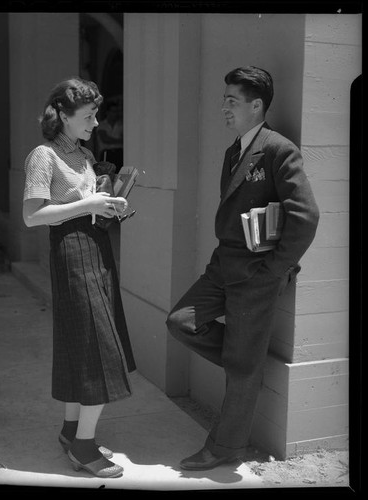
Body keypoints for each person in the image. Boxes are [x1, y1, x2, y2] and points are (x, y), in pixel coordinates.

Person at [166, 66, 319, 471]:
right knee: (181, 321)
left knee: (241, 364)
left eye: (232, 101)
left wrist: (275, 270)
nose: (224, 107)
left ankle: (226, 448)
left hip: (256, 276)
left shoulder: (278, 149)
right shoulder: (234, 150)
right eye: (224, 100)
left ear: (256, 105)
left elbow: (305, 216)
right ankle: (246, 362)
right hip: (223, 267)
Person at [22, 77, 136, 479]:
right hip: (70, 251)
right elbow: (32, 215)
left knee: (80, 340)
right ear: (63, 116)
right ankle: (84, 449)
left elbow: (80, 206)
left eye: (96, 114)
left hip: (96, 247)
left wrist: (106, 207)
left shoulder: (85, 155)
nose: (96, 122)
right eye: (88, 116)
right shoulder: (44, 155)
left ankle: (72, 432)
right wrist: (88, 203)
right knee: (96, 347)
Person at [97, 99, 123, 172]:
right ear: (107, 112)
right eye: (113, 111)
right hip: (107, 153)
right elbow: (105, 139)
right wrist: (120, 140)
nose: (115, 114)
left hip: (119, 153)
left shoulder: (121, 124)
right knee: (107, 173)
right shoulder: (102, 125)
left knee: (120, 173)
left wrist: (112, 140)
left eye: (117, 111)